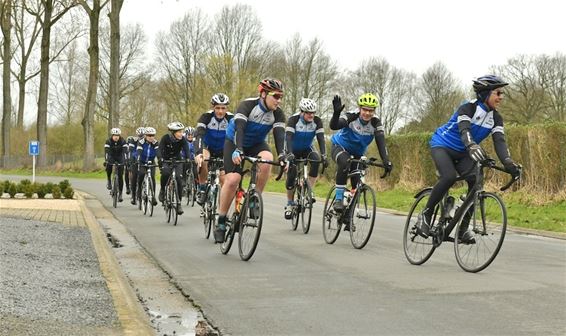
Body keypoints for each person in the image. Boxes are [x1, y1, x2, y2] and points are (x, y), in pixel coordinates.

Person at [416, 75, 521, 243]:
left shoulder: (496, 118)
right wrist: (471, 145)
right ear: (485, 94)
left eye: (502, 93)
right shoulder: (467, 108)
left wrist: (508, 162)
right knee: (448, 176)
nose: (501, 97)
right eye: (498, 93)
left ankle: (463, 229)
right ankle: (426, 215)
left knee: (476, 183)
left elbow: (500, 142)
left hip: (463, 152)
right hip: (442, 145)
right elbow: (464, 130)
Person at [213, 78, 287, 243]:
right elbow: (239, 128)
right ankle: (222, 221)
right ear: (263, 94)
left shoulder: (278, 113)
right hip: (234, 141)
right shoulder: (247, 106)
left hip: (255, 144)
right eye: (276, 96)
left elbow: (280, 136)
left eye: (281, 97)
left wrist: (283, 155)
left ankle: (254, 200)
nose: (279, 100)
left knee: (268, 159)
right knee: (232, 180)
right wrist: (238, 149)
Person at [329, 93, 393, 217]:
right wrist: (336, 113)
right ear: (360, 108)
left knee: (357, 184)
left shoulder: (375, 123)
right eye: (365, 109)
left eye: (371, 110)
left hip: (357, 154)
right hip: (339, 147)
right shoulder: (352, 116)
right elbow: (334, 126)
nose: (367, 113)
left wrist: (386, 161)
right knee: (344, 162)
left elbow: (381, 142)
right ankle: (338, 199)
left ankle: (348, 215)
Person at [283, 98, 327, 220]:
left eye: (313, 112)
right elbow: (288, 138)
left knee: (316, 159)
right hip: (292, 148)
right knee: (291, 176)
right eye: (308, 113)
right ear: (301, 112)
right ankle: (290, 204)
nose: (311, 115)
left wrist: (324, 155)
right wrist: (290, 154)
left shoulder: (317, 121)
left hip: (307, 148)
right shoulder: (293, 120)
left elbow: (321, 139)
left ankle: (309, 191)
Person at [194, 93, 234, 204]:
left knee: (223, 180)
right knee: (204, 160)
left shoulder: (231, 118)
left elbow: (237, 136)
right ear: (213, 107)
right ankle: (202, 189)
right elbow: (199, 135)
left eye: (223, 108)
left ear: (227, 108)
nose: (220, 111)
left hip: (223, 150)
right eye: (217, 108)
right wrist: (198, 153)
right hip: (208, 147)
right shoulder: (206, 117)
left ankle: (221, 209)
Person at [158, 122, 191, 215]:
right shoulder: (165, 138)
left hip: (177, 161)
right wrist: (160, 158)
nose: (181, 134)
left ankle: (179, 203)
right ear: (173, 132)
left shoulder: (182, 139)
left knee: (178, 179)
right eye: (179, 132)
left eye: (182, 132)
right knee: (165, 173)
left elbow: (186, 149)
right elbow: (160, 149)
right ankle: (163, 190)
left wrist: (188, 158)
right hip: (166, 160)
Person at [104, 128, 128, 202]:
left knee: (120, 175)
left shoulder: (123, 141)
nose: (116, 137)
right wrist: (107, 160)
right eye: (114, 135)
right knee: (109, 166)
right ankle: (109, 180)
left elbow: (125, 152)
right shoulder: (108, 141)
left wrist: (126, 160)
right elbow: (107, 152)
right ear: (112, 135)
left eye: (117, 135)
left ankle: (120, 194)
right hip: (111, 156)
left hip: (120, 157)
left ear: (119, 136)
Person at [136, 127, 159, 206]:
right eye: (149, 135)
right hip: (142, 161)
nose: (151, 137)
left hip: (151, 162)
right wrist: (138, 160)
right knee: (141, 174)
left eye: (153, 135)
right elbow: (138, 152)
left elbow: (158, 152)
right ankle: (139, 192)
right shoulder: (141, 142)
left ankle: (153, 197)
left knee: (152, 178)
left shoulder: (155, 143)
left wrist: (160, 160)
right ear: (145, 136)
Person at [129, 127, 145, 205]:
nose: (141, 137)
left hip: (143, 160)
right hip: (134, 159)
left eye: (142, 135)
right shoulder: (133, 140)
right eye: (140, 135)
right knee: (134, 178)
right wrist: (133, 159)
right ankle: (133, 196)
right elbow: (131, 150)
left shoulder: (145, 141)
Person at [182, 126, 197, 199]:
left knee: (196, 173)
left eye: (191, 135)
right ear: (186, 135)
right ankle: (183, 184)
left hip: (193, 160)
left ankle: (195, 189)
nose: (190, 136)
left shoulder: (195, 142)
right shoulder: (183, 141)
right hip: (185, 159)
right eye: (189, 135)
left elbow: (197, 150)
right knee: (184, 169)